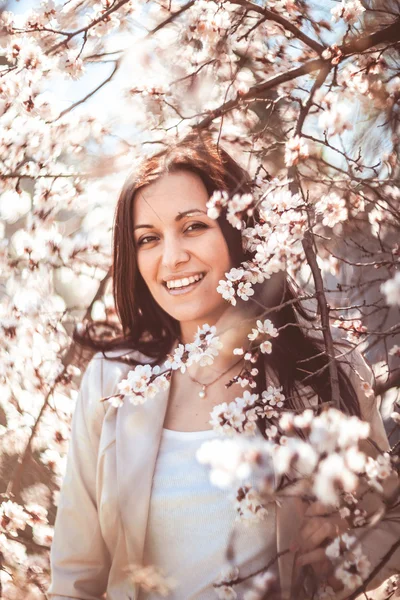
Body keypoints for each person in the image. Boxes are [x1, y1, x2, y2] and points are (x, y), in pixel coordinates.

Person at [47, 134, 398, 600]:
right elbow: (76, 577)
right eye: (148, 239)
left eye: (193, 227)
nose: (171, 257)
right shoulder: (113, 382)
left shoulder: (322, 370)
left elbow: (388, 516)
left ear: (240, 229)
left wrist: (348, 548)